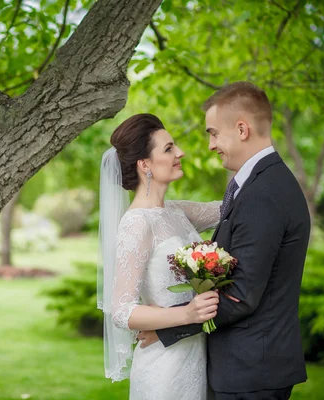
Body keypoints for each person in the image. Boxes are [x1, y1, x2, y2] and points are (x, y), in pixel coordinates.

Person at [142, 82, 311, 400]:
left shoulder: (264, 194)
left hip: (251, 371)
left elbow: (241, 296)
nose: (210, 145)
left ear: (243, 129)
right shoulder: (259, 183)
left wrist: (168, 324)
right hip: (249, 365)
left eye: (213, 133)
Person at [97, 113, 222, 400]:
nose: (180, 153)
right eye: (168, 149)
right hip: (164, 369)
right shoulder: (137, 224)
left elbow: (229, 206)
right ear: (145, 165)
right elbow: (121, 311)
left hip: (196, 357)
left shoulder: (177, 211)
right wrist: (187, 314)